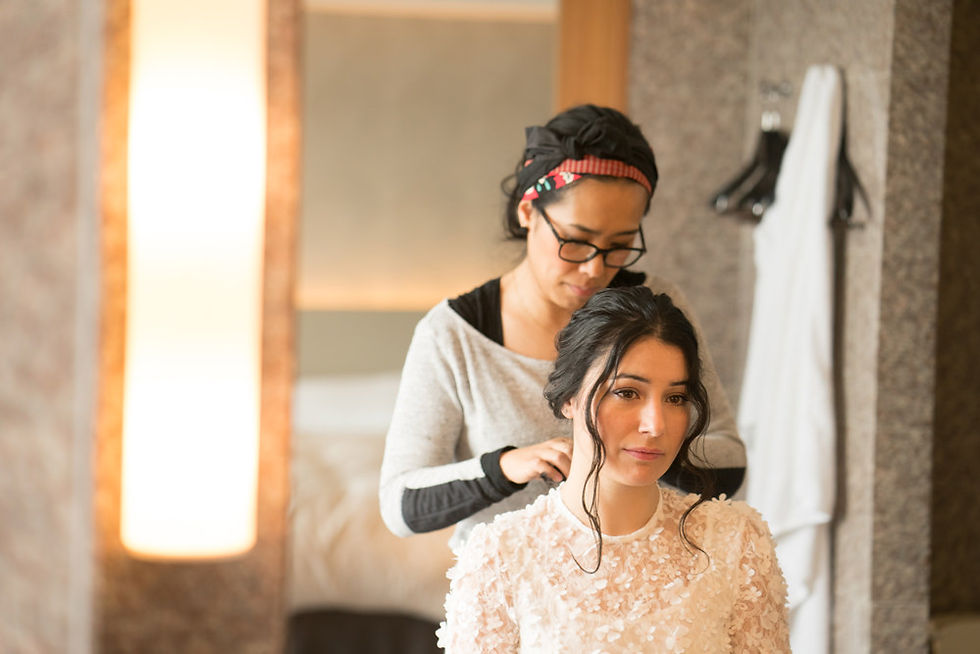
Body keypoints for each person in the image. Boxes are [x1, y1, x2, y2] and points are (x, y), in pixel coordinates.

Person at [379, 104, 746, 551]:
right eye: (576, 240)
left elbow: (729, 460)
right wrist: (505, 468)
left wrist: (627, 445)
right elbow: (400, 505)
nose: (595, 269)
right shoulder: (454, 335)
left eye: (619, 245)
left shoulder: (656, 309)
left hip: (641, 572)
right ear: (528, 211)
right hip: (510, 580)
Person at [437, 287, 790, 652]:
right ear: (570, 398)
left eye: (675, 398)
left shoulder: (737, 541)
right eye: (627, 393)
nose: (656, 425)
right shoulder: (498, 555)